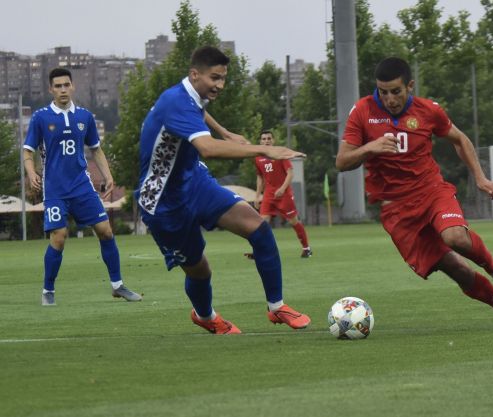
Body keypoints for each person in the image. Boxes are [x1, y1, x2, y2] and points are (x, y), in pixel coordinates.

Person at [336, 57, 493, 329]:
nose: (389, 99)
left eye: (395, 91)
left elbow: (460, 139)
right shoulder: (362, 111)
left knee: (455, 236)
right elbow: (342, 162)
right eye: (382, 92)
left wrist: (480, 177)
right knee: (458, 271)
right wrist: (370, 147)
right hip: (397, 212)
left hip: (431, 191)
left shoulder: (428, 110)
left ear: (409, 86)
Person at [136, 46, 311, 334]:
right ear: (195, 74)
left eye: (223, 78)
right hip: (163, 201)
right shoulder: (175, 101)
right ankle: (205, 316)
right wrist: (266, 150)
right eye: (214, 78)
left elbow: (200, 114)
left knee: (259, 229)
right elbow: (207, 148)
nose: (219, 85)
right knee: (200, 269)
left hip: (194, 181)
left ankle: (277, 307)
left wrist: (226, 132)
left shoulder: (191, 94)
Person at [24, 67, 142, 306]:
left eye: (66, 84)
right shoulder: (41, 117)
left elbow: (95, 149)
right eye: (57, 86)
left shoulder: (85, 117)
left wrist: (108, 175)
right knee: (59, 237)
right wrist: (30, 172)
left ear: (73, 86)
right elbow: (28, 151)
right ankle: (48, 291)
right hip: (55, 188)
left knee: (106, 231)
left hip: (82, 186)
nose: (63, 89)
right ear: (50, 89)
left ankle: (118, 286)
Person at [244, 130, 311, 259]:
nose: (266, 141)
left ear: (273, 141)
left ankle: (306, 248)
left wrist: (282, 188)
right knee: (261, 223)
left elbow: (290, 173)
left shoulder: (279, 154)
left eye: (269, 138)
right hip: (269, 195)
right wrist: (257, 196)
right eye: (263, 139)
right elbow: (260, 178)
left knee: (293, 222)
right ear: (260, 141)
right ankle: (258, 251)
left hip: (284, 195)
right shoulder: (257, 158)